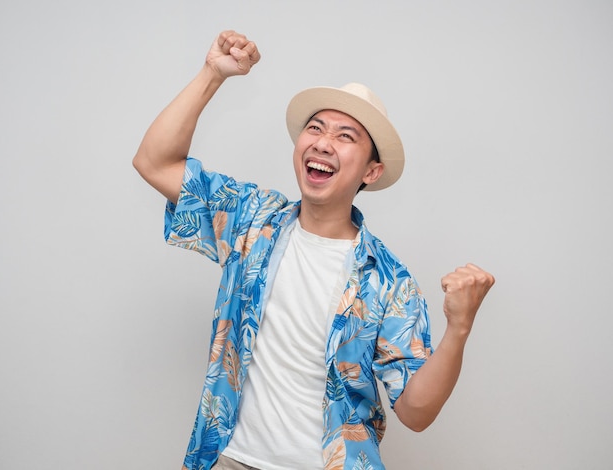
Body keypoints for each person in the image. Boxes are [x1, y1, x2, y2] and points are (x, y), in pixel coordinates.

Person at [133, 30, 495, 470]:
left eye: (346, 136)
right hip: (227, 459)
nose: (323, 142)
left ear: (372, 170)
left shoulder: (387, 281)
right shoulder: (252, 220)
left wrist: (458, 328)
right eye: (315, 128)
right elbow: (154, 162)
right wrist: (213, 74)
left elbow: (416, 414)